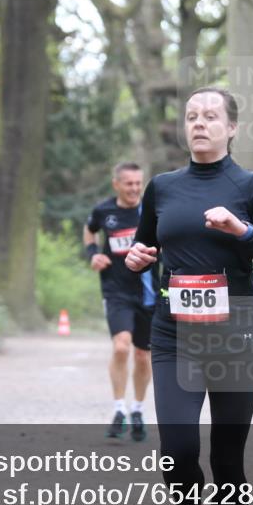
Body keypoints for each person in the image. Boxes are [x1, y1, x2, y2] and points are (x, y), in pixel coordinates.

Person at [125, 87, 253, 505]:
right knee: (175, 449)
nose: (199, 123)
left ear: (232, 127)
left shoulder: (252, 186)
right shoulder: (163, 187)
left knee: (226, 458)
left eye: (211, 116)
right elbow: (145, 244)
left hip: (237, 335)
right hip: (176, 332)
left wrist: (241, 230)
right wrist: (137, 257)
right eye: (192, 116)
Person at [84, 162, 159, 441]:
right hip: (116, 291)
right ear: (116, 184)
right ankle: (118, 410)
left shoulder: (151, 211)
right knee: (120, 346)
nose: (135, 188)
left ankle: (137, 409)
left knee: (142, 356)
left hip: (149, 294)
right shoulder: (104, 211)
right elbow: (89, 230)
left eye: (139, 183)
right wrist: (93, 254)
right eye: (129, 183)